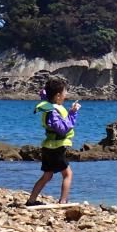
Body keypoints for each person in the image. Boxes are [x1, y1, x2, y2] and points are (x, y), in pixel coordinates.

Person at [26, 77, 81, 206]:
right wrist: (73, 113)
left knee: (47, 175)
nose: (66, 95)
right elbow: (63, 129)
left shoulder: (48, 106)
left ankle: (32, 200)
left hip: (47, 147)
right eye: (64, 92)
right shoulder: (55, 110)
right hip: (57, 147)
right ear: (57, 96)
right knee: (68, 174)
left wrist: (45, 93)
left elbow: (45, 97)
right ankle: (63, 201)